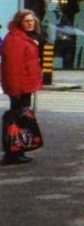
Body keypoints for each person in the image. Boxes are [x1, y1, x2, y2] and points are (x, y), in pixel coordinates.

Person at [2, 10, 44, 166]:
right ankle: (12, 152)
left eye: (32, 21)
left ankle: (16, 150)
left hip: (24, 85)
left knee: (20, 119)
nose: (30, 23)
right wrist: (15, 89)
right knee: (17, 119)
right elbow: (12, 68)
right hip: (19, 87)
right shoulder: (16, 40)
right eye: (26, 21)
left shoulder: (25, 38)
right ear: (19, 22)